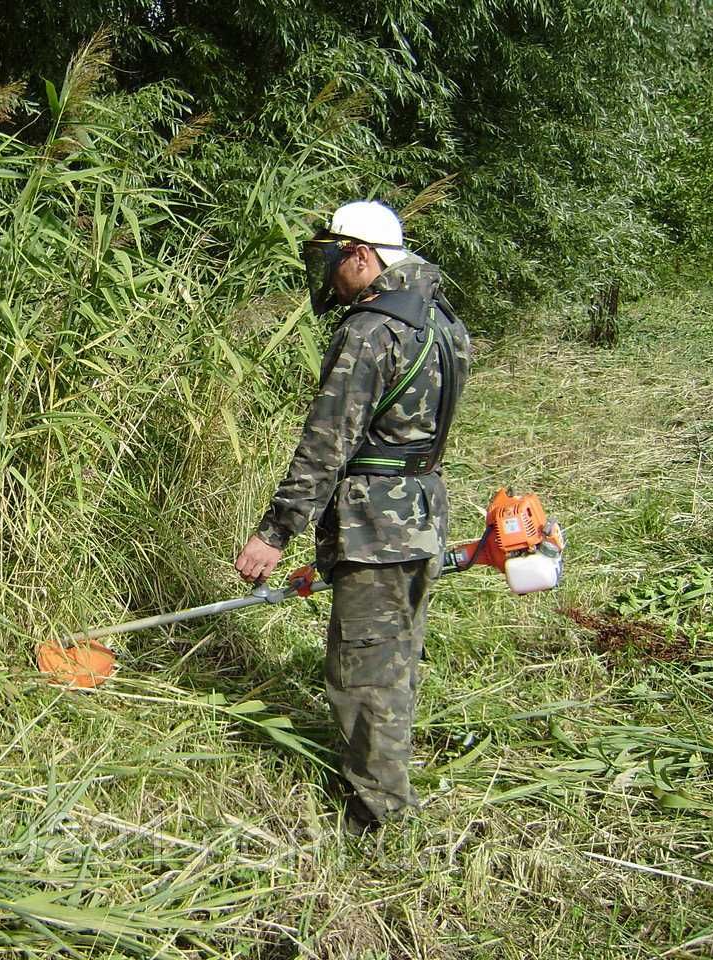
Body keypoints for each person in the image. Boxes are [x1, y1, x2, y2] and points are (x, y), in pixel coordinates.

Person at [234, 200, 471, 831]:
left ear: (360, 254)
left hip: (376, 525)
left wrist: (275, 531)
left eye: (331, 258)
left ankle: (379, 820)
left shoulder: (372, 330)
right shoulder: (441, 320)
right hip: (421, 512)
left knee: (366, 673)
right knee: (396, 659)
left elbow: (327, 441)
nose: (329, 274)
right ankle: (385, 789)